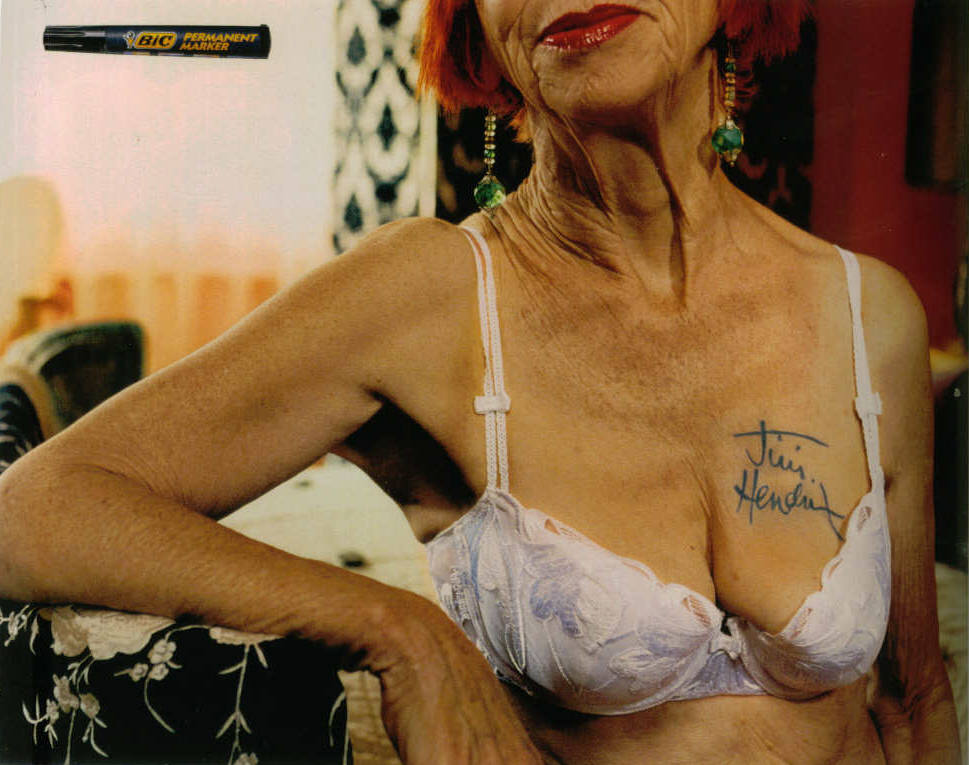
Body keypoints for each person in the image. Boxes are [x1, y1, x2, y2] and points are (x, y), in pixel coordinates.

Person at [0, 0, 961, 763]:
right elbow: (33, 508)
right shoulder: (429, 293)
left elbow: (912, 698)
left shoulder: (868, 312)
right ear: (475, 29)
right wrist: (399, 629)